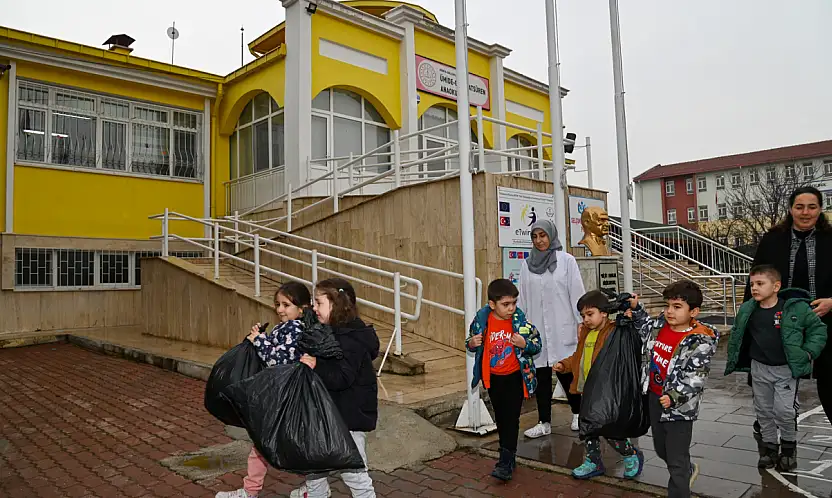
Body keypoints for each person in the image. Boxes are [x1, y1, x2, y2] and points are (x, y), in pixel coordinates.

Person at [216, 282, 312, 498]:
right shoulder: (285, 327)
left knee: (266, 446)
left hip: (284, 397)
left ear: (302, 308)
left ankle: (251, 492)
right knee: (278, 446)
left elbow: (276, 359)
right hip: (281, 396)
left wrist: (259, 340)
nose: (280, 309)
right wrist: (260, 338)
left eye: (286, 305)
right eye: (277, 304)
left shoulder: (295, 329)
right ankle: (308, 489)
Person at [725, 265, 827, 470]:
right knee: (763, 411)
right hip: (759, 368)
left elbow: (818, 330)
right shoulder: (747, 309)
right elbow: (738, 334)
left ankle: (788, 449)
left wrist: (807, 353)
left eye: (760, 284)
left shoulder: (794, 308)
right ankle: (769, 449)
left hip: (785, 370)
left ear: (776, 286)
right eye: (752, 284)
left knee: (784, 411)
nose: (754, 288)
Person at [746, 186, 832, 425]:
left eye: (812, 207)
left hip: (824, 318)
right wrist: (751, 316)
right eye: (799, 206)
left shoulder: (830, 238)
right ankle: (770, 434)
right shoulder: (773, 239)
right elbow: (755, 279)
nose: (805, 212)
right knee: (773, 378)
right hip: (780, 321)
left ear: (820, 209)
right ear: (791, 209)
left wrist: (831, 303)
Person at [292, 278, 379, 498]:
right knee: (314, 468)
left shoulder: (351, 339)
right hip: (328, 414)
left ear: (336, 305)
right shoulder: (332, 333)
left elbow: (342, 377)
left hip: (347, 418)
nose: (314, 307)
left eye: (319, 303)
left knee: (354, 473)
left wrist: (316, 364)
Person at [630, 281, 718, 498]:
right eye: (667, 305)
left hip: (679, 408)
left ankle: (680, 488)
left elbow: (695, 378)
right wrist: (636, 307)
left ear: (693, 311)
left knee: (676, 460)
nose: (670, 311)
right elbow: (644, 327)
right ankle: (685, 469)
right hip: (654, 398)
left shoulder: (700, 341)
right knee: (662, 449)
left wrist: (674, 396)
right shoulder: (659, 326)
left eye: (677, 306)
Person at [555, 290, 644, 480]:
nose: (586, 319)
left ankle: (630, 454)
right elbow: (578, 358)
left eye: (590, 314)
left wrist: (630, 314)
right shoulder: (586, 333)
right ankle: (593, 461)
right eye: (583, 315)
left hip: (606, 391)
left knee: (610, 430)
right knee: (588, 429)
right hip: (587, 390)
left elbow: (634, 337)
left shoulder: (614, 331)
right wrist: (564, 365)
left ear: (604, 312)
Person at [466, 279, 542, 481]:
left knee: (511, 418)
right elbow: (470, 341)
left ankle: (505, 460)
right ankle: (509, 454)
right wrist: (472, 343)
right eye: (505, 304)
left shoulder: (520, 322)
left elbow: (537, 344)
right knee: (501, 418)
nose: (511, 308)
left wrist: (524, 343)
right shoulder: (482, 321)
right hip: (494, 380)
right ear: (492, 304)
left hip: (515, 378)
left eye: (514, 303)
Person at [518, 219, 586, 438]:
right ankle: (544, 422)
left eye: (543, 235)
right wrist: (522, 328)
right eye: (535, 237)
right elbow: (522, 300)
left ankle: (578, 413)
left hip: (562, 326)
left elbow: (577, 293)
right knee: (541, 376)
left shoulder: (567, 261)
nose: (539, 241)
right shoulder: (526, 265)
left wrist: (580, 322)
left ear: (551, 235)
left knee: (566, 371)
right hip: (537, 330)